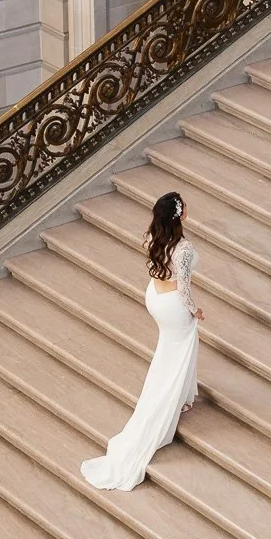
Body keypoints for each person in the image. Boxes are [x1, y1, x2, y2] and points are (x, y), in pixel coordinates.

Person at [81, 190, 203, 491]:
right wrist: (195, 310)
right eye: (184, 205)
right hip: (174, 303)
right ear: (179, 214)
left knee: (172, 351)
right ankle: (173, 400)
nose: (188, 207)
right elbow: (185, 287)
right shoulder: (184, 248)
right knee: (179, 352)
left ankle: (186, 395)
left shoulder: (150, 236)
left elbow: (155, 267)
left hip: (155, 296)